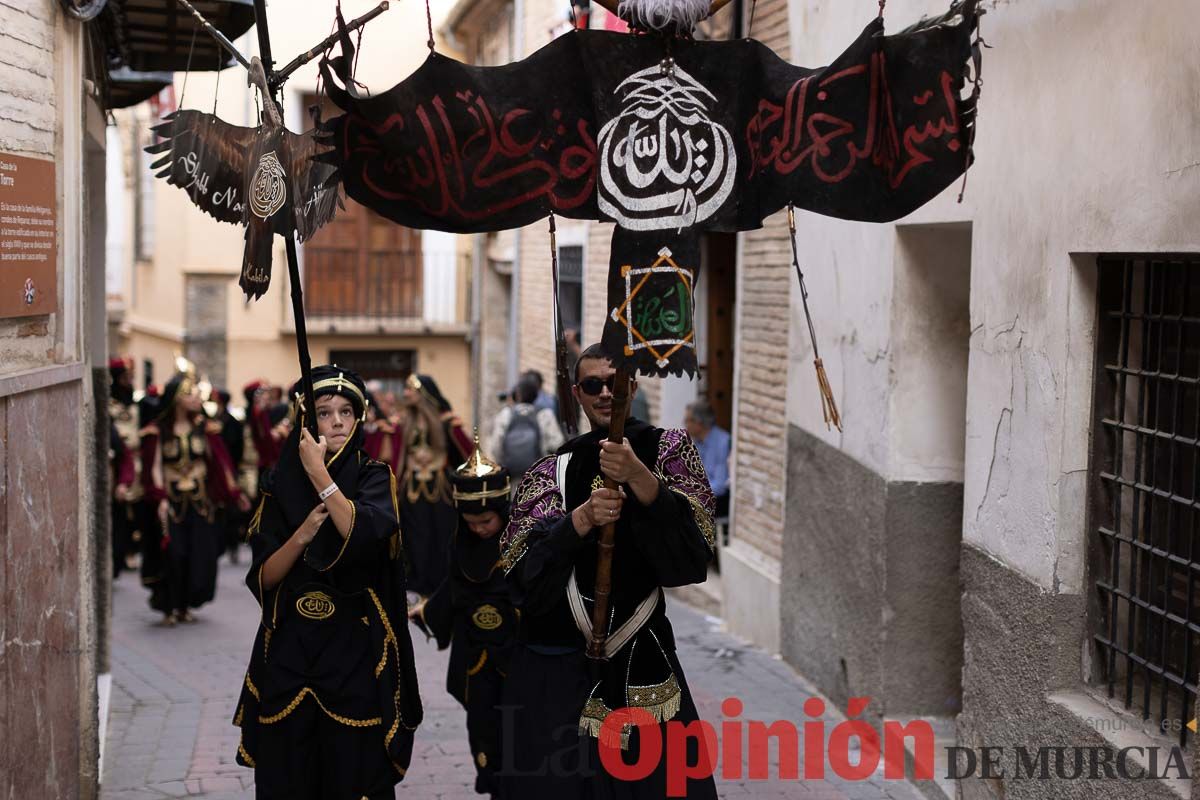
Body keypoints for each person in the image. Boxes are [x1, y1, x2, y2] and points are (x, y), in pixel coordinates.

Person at [498, 343, 718, 799]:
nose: (605, 394)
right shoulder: (551, 471)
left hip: (645, 659)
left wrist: (641, 478)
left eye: (614, 383)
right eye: (592, 384)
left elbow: (693, 560)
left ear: (632, 385)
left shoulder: (668, 452)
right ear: (577, 393)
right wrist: (579, 521)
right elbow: (520, 577)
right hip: (566, 670)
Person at [233, 365, 423, 799]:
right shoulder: (279, 483)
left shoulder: (374, 476)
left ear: (358, 419)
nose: (337, 421)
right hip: (290, 651)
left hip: (353, 653)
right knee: (289, 778)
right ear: (306, 421)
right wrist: (301, 534)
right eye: (323, 412)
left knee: (352, 776)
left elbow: (365, 537)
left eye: (346, 412)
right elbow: (263, 578)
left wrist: (321, 477)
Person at [409, 437, 516, 799]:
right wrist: (425, 612)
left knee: (519, 725)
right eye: (470, 522)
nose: (479, 529)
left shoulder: (522, 542)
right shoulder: (460, 543)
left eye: (485, 520)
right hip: (475, 657)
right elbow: (453, 589)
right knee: (483, 725)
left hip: (518, 653)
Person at [140, 360, 249, 625]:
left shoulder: (205, 430)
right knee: (173, 554)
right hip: (172, 503)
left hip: (201, 503)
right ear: (176, 398)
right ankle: (169, 606)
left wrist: (235, 494)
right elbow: (154, 467)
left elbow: (220, 464)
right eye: (189, 393)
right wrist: (159, 498)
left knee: (198, 554)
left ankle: (185, 606)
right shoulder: (158, 432)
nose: (195, 397)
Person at [397, 373, 473, 596]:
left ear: (424, 393)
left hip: (440, 490)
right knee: (414, 536)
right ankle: (416, 584)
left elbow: (468, 455)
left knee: (440, 535)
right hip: (411, 490)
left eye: (410, 389)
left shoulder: (446, 421)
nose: (405, 393)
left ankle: (440, 585)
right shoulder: (404, 422)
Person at [487, 374, 564, 482]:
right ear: (536, 395)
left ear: (517, 395)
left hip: (511, 477)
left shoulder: (506, 414)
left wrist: (504, 463)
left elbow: (495, 447)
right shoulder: (545, 414)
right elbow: (556, 443)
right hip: (538, 478)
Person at [109, 356, 143, 576]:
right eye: (125, 377)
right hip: (119, 459)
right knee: (121, 510)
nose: (129, 381)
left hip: (137, 461)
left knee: (137, 510)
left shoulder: (136, 405)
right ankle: (122, 553)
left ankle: (133, 549)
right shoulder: (109, 403)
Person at [684, 400, 731, 518]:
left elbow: (720, 485)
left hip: (717, 500)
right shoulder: (695, 442)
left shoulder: (723, 443)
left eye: (687, 420)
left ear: (699, 423)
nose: (685, 424)